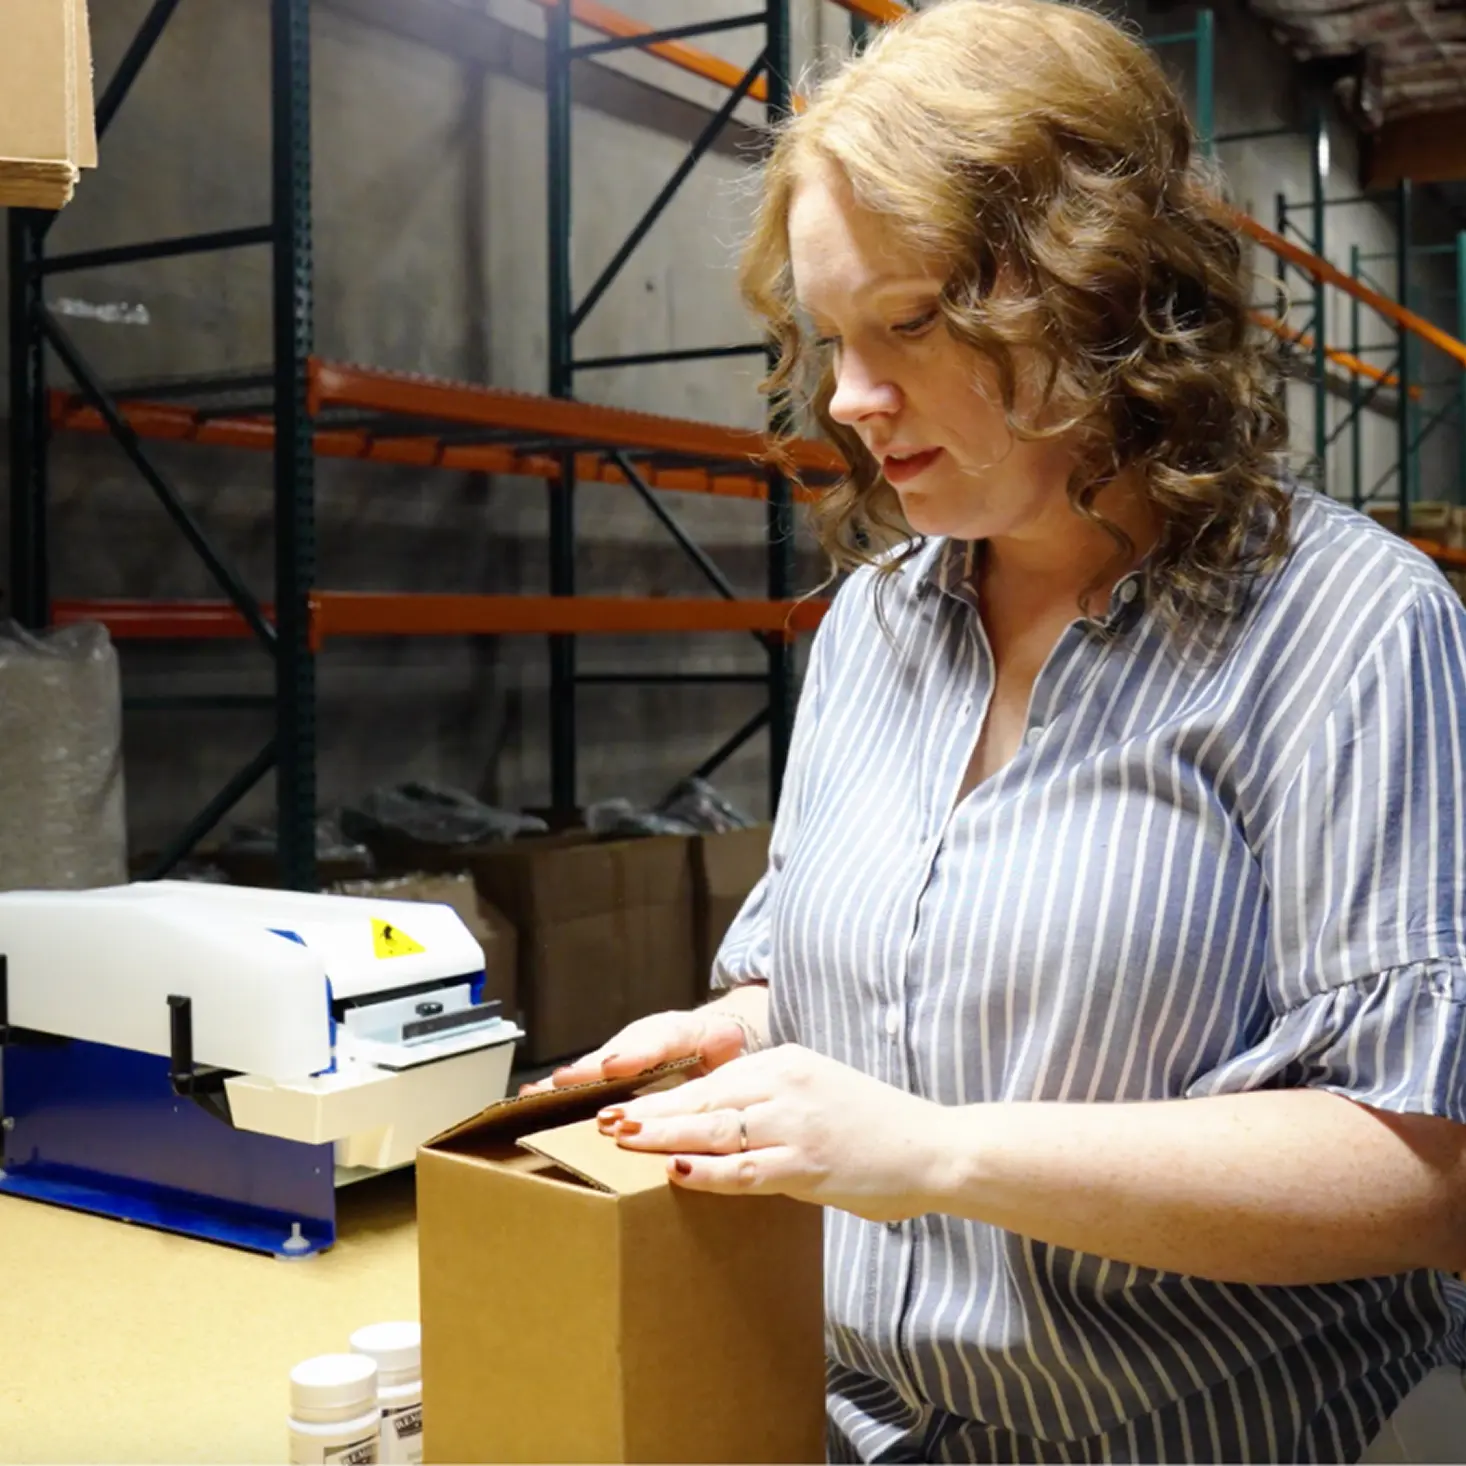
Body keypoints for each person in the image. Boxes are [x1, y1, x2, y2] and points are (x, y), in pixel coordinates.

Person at [527, 0, 1466, 1459]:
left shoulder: (1348, 631)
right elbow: (874, 981)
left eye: (905, 323)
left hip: (1197, 1430)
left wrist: (937, 1151)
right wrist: (739, 1042)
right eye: (832, 337)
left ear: (1097, 292)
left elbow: (1419, 1166)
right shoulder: (868, 634)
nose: (850, 398)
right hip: (834, 1413)